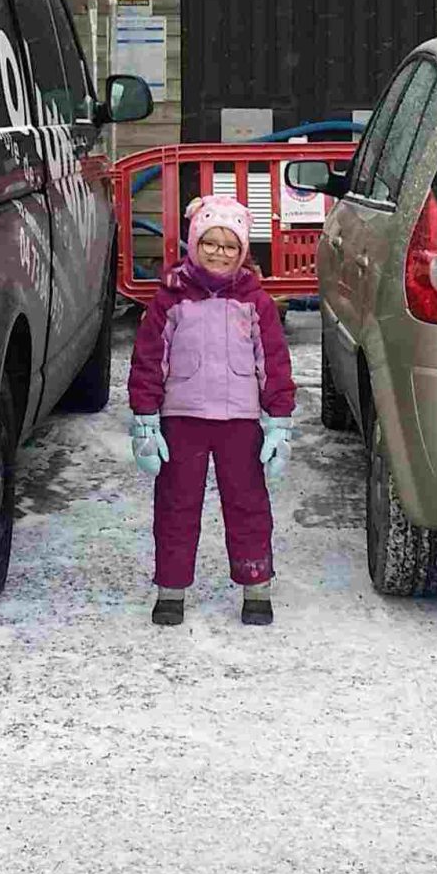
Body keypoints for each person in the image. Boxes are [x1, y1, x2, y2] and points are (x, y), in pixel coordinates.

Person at [127, 194, 296, 626]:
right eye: (209, 243)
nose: (219, 253)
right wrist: (145, 421)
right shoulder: (171, 299)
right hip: (182, 420)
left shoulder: (255, 302)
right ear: (194, 243)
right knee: (176, 506)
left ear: (242, 252)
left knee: (248, 505)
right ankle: (171, 589)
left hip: (240, 423)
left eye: (229, 246)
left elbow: (273, 362)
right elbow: (149, 359)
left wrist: (279, 423)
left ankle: (256, 585)